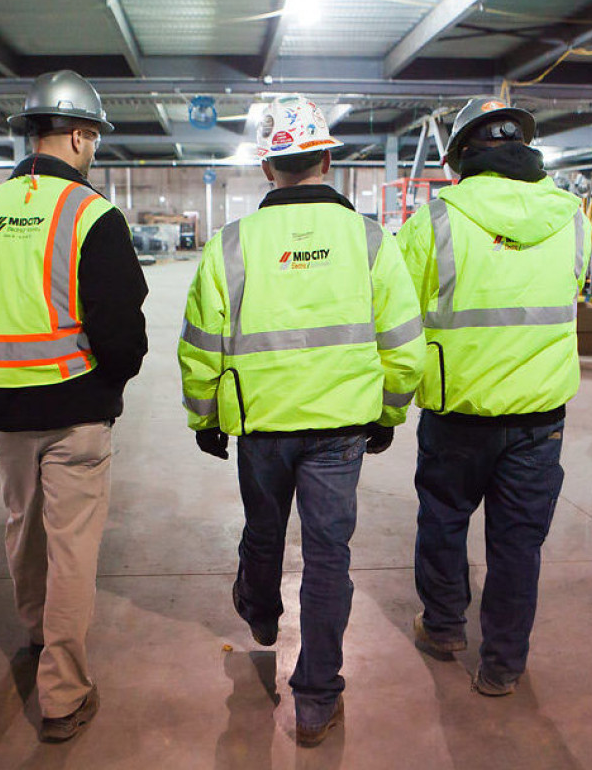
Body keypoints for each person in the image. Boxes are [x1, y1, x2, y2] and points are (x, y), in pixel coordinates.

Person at [178, 94, 425, 747]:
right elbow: (404, 342)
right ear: (325, 159)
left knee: (264, 532)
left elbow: (203, 340)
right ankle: (316, 701)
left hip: (261, 427)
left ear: (269, 169)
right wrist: (390, 410)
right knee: (326, 557)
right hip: (342, 430)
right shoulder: (371, 239)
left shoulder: (231, 244)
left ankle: (261, 614)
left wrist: (205, 414)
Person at [0, 69, 148, 741]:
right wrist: (112, 379)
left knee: (21, 525)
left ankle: (35, 636)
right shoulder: (91, 214)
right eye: (94, 139)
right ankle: (61, 692)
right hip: (76, 409)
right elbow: (121, 326)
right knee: (72, 547)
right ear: (83, 137)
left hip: (2, 405)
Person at [396, 97, 591, 696]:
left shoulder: (434, 220)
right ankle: (503, 664)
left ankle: (446, 626)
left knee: (444, 521)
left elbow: (401, 314)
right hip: (541, 416)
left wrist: (390, 400)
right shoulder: (575, 217)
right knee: (517, 543)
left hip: (458, 411)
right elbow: (573, 290)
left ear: (458, 160)